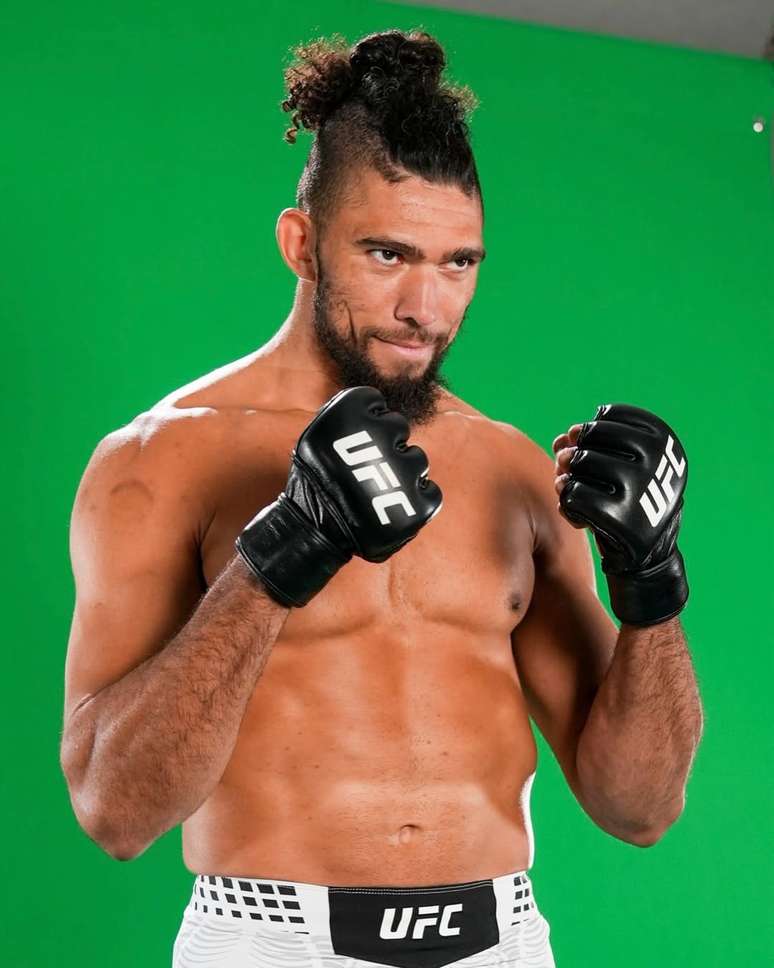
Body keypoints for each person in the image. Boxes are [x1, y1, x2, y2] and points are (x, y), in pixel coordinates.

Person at [59, 29, 704, 968]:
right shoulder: (160, 459)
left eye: (458, 263)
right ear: (302, 244)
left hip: (501, 940)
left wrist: (653, 586)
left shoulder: (514, 470)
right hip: (273, 942)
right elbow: (114, 811)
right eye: (388, 254)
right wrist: (280, 556)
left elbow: (639, 809)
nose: (425, 308)